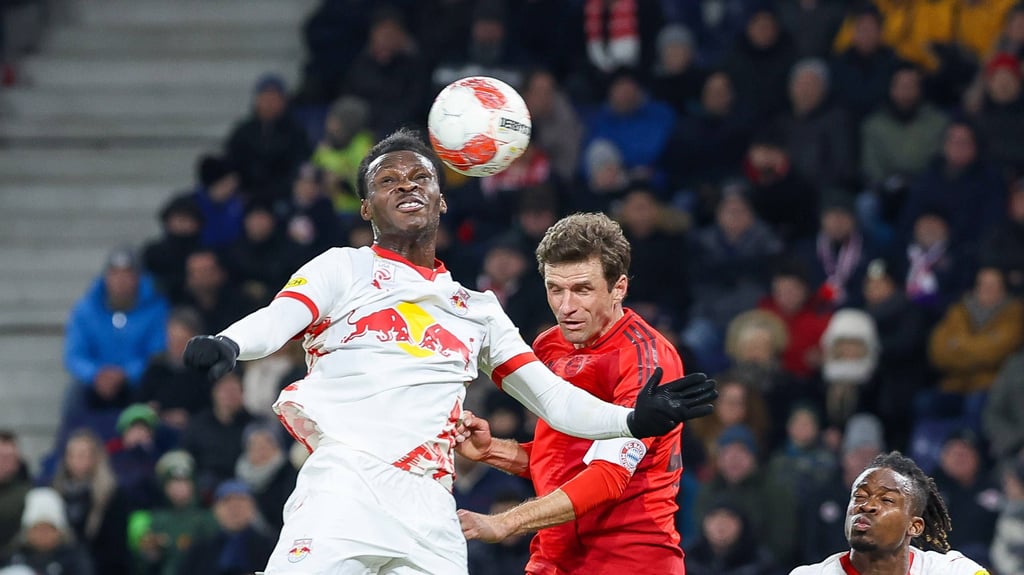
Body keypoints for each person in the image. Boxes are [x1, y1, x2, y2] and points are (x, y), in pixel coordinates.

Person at [182, 128, 719, 575]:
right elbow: (282, 316)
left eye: (421, 177)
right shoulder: (342, 268)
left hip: (431, 505)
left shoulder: (478, 309)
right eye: (388, 180)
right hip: (347, 483)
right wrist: (231, 342)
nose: (406, 185)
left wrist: (631, 420)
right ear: (368, 205)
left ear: (441, 198)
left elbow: (554, 400)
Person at [453, 212, 716, 575]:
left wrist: (506, 521)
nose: (565, 307)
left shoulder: (645, 360)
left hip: (628, 561)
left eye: (582, 289)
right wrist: (491, 450)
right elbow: (559, 458)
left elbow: (608, 476)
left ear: (618, 287)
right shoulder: (548, 345)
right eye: (554, 288)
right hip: (552, 559)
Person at [789, 451, 990, 575]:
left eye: (886, 500)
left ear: (915, 526)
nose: (867, 506)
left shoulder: (954, 572)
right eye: (859, 497)